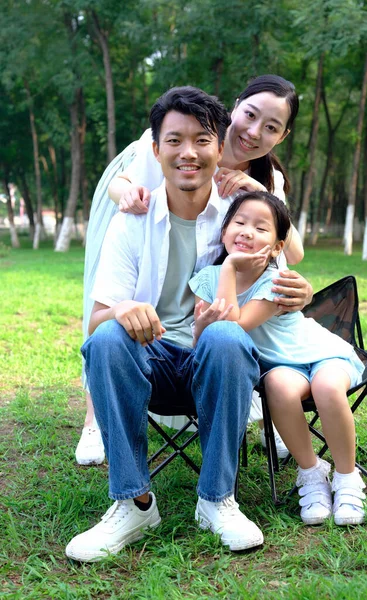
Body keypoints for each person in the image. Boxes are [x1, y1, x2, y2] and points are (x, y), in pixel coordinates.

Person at [66, 86, 274, 563]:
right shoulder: (133, 218)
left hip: (215, 365)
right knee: (106, 338)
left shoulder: (239, 221)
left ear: (220, 149)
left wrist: (297, 289)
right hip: (152, 361)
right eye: (174, 140)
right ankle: (134, 502)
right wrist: (120, 311)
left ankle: (217, 500)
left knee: (224, 334)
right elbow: (99, 315)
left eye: (202, 140)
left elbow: (280, 267)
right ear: (155, 149)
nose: (188, 153)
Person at [76, 74, 313, 466]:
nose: (254, 132)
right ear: (235, 107)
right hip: (146, 228)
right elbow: (121, 183)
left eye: (271, 127)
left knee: (227, 326)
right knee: (110, 315)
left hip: (213, 270)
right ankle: (94, 418)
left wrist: (258, 195)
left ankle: (272, 409)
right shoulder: (186, 132)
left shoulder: (264, 178)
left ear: (283, 136)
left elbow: (290, 249)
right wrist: (130, 197)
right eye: (250, 115)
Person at [189, 191, 367, 527]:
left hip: (320, 353)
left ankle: (346, 477)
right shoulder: (206, 280)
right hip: (281, 367)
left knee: (328, 388)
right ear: (224, 231)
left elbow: (234, 325)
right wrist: (224, 276)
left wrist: (228, 266)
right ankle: (312, 473)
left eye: (260, 227)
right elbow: (211, 340)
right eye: (239, 223)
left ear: (276, 248)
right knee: (279, 389)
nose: (247, 231)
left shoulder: (277, 281)